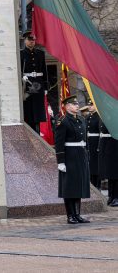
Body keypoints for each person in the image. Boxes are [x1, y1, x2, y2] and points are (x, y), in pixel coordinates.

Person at [55, 95, 90, 223]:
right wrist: (61, 161)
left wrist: (87, 156)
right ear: (68, 106)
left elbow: (85, 140)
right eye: (74, 104)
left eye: (77, 104)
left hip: (80, 155)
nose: (77, 106)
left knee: (78, 186)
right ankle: (70, 215)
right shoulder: (63, 121)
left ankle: (77, 214)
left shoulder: (81, 119)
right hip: (69, 156)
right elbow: (59, 143)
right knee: (69, 186)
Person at [21, 32, 49, 133]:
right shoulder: (21, 54)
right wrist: (21, 77)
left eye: (33, 40)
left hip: (38, 84)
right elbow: (18, 69)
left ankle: (36, 132)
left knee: (37, 112)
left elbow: (44, 70)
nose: (32, 42)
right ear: (25, 40)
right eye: (30, 39)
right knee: (28, 112)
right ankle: (30, 131)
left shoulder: (40, 53)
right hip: (27, 85)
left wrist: (46, 87)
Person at [99, 119, 118, 207]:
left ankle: (116, 197)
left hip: (115, 145)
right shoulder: (106, 115)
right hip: (108, 145)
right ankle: (111, 196)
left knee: (116, 173)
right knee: (110, 173)